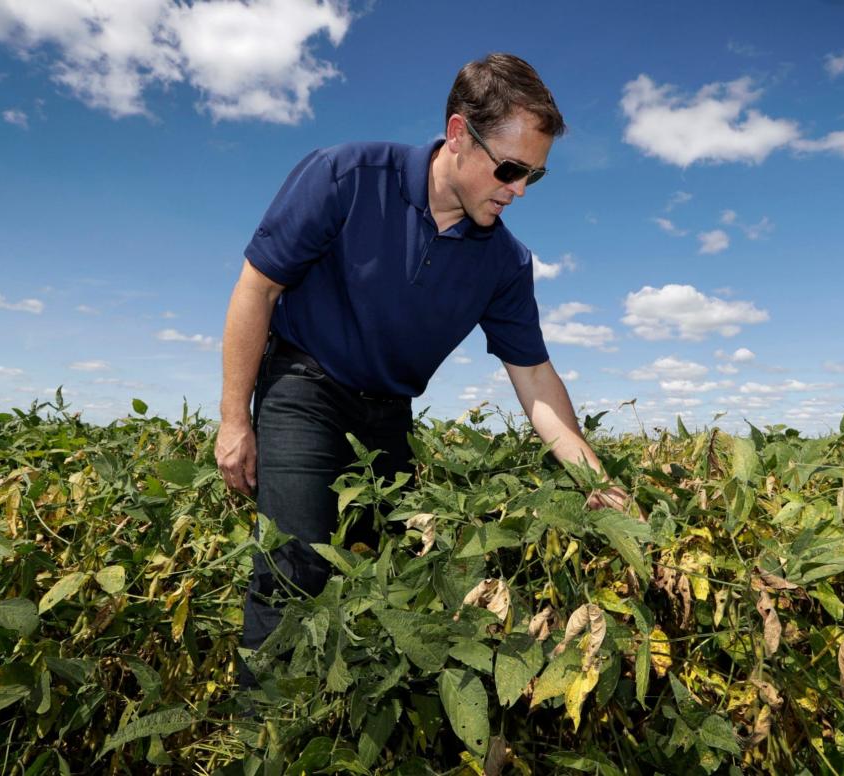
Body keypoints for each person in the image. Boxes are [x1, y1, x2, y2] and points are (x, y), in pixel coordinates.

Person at [215, 53, 629, 680]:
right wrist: (233, 419)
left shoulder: (506, 263)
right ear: (459, 134)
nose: (518, 190)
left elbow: (538, 380)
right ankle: (260, 730)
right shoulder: (346, 176)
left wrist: (593, 479)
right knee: (293, 568)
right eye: (511, 168)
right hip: (304, 384)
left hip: (388, 415)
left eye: (534, 178)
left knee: (395, 577)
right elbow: (257, 287)